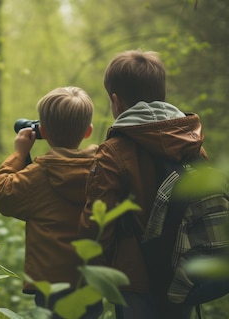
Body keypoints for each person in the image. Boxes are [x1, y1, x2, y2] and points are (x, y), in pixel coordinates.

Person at [81, 49, 207, 319]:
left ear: (116, 102)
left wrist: (96, 270)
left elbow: (98, 222)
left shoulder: (114, 151)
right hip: (184, 270)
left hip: (135, 280)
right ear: (162, 94)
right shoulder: (191, 143)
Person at [0, 86, 102, 318]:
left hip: (51, 284)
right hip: (91, 277)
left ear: (43, 131)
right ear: (88, 131)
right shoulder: (102, 169)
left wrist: (20, 154)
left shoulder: (38, 175)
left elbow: (0, 193)